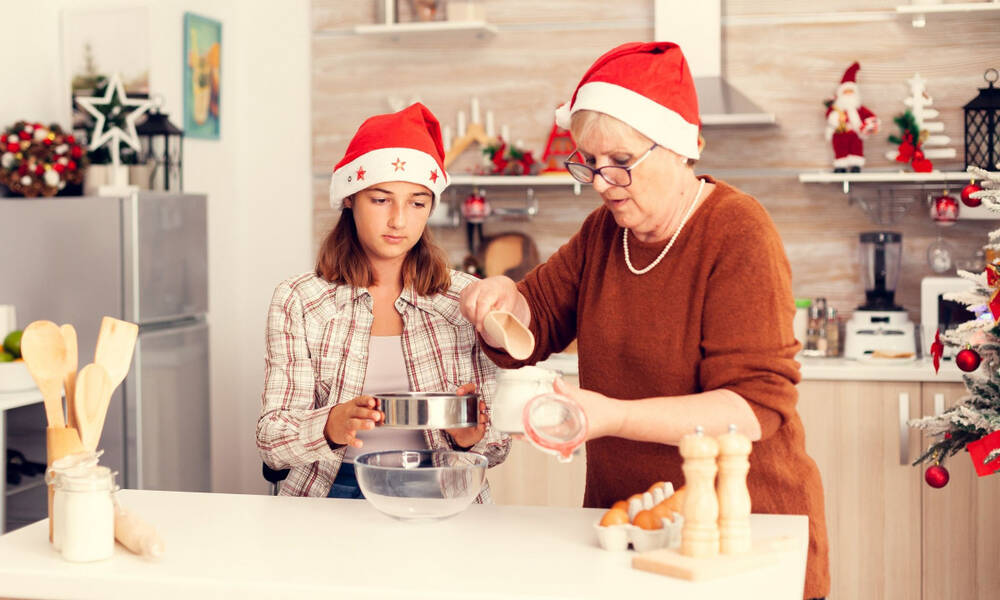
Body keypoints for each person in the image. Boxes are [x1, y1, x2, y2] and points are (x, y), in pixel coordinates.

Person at [459, 42, 829, 599]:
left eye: (622, 162)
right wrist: (499, 303)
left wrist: (610, 416)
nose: (603, 182)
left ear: (680, 149)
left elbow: (753, 409)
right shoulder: (603, 235)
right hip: (626, 530)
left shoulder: (737, 231)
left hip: (735, 532)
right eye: (589, 162)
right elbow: (528, 330)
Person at [258, 103, 510, 500]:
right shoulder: (300, 301)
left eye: (417, 202)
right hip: (334, 490)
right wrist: (329, 425)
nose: (399, 220)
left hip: (442, 491)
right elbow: (272, 440)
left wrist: (469, 438)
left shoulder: (465, 299)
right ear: (349, 199)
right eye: (380, 200)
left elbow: (496, 446)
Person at [825, 61, 879, 173]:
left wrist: (870, 124)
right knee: (840, 149)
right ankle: (840, 166)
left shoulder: (859, 109)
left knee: (856, 148)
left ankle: (856, 166)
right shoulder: (836, 108)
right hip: (840, 133)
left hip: (855, 133)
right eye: (846, 92)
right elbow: (828, 116)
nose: (848, 94)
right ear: (840, 94)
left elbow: (871, 117)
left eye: (851, 92)